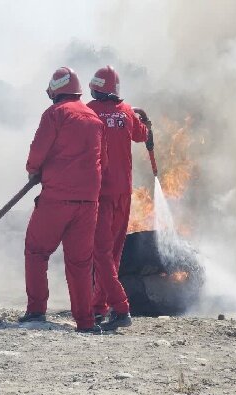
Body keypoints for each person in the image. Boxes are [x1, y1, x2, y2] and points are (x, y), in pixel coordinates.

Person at [20, 66, 105, 334]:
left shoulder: (55, 114)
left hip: (56, 199)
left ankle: (36, 311)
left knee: (36, 251)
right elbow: (100, 158)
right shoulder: (94, 118)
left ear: (56, 90)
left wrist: (34, 170)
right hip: (89, 202)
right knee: (80, 264)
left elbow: (37, 152)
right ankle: (85, 322)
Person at [86, 65, 153, 331]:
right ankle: (98, 308)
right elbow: (142, 135)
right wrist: (144, 122)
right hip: (124, 194)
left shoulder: (89, 111)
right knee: (112, 254)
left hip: (101, 194)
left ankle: (121, 308)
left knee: (100, 255)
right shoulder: (126, 112)